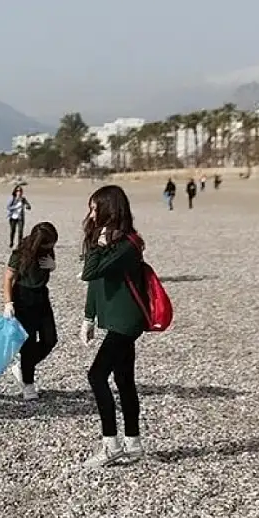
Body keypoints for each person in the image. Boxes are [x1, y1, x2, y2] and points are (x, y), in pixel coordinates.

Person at [79, 185, 148, 468]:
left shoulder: (127, 245)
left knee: (96, 376)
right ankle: (133, 444)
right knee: (123, 380)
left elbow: (89, 272)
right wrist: (88, 317)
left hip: (126, 321)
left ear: (109, 209)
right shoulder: (109, 240)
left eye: (95, 208)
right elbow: (96, 283)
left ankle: (111, 445)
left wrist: (98, 246)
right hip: (116, 320)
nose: (91, 213)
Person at [1, 222, 59, 400]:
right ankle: (28, 384)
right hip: (23, 299)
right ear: (39, 242)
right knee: (29, 343)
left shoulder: (48, 252)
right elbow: (8, 278)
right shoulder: (20, 253)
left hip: (41, 296)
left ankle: (24, 367)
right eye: (49, 244)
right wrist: (8, 303)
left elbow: (44, 271)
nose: (52, 246)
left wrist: (53, 266)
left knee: (50, 339)